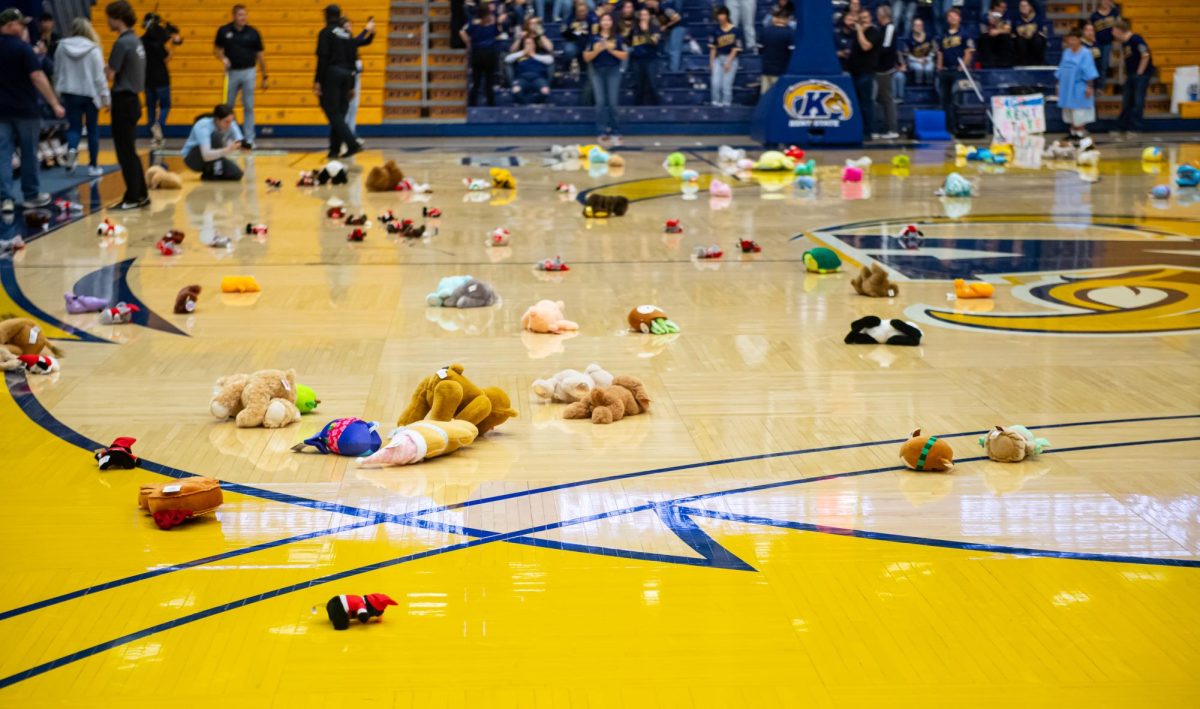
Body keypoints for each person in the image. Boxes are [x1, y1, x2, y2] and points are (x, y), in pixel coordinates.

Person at [0, 6, 65, 213]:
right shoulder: (23, 49)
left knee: (3, 155)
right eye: (20, 24)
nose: (24, 27)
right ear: (10, 25)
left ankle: (5, 199)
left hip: (1, 112)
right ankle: (31, 195)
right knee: (29, 153)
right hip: (26, 110)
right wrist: (54, 103)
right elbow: (38, 77)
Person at [105, 1, 149, 210]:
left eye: (109, 17)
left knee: (125, 151)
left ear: (117, 18)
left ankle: (132, 197)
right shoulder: (136, 41)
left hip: (123, 100)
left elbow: (110, 73)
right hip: (134, 100)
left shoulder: (122, 43)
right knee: (130, 150)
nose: (107, 21)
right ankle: (140, 193)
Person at [54, 17, 109, 176]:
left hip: (70, 93)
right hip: (90, 96)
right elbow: (99, 77)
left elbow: (57, 72)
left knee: (74, 128)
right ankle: (93, 166)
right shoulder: (94, 49)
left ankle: (71, 150)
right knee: (92, 130)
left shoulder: (61, 47)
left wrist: (57, 93)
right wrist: (106, 98)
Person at [213, 4, 266, 150]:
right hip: (232, 73)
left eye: (245, 15)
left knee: (248, 106)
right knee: (227, 107)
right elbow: (217, 50)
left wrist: (264, 75)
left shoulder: (253, 33)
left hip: (249, 71)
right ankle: (230, 138)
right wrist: (223, 58)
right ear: (234, 16)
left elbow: (260, 55)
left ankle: (249, 139)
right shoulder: (224, 31)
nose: (243, 18)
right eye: (240, 15)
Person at [314, 4, 362, 158]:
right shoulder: (347, 34)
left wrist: (317, 80)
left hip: (332, 75)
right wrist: (353, 85)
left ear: (327, 16)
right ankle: (334, 149)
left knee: (331, 110)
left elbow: (323, 58)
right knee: (340, 113)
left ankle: (352, 143)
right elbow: (353, 60)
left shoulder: (325, 33)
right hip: (348, 75)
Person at [582, 11, 626, 144]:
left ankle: (615, 131)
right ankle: (601, 131)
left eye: (609, 20)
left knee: (612, 102)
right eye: (604, 20)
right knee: (600, 102)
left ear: (612, 23)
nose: (606, 22)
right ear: (600, 23)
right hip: (597, 71)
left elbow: (624, 56)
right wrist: (597, 50)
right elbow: (586, 57)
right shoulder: (593, 38)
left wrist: (610, 49)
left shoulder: (618, 38)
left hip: (613, 71)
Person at [142, 12, 181, 148]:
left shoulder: (142, 40)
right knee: (165, 106)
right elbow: (166, 58)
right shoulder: (159, 41)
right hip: (162, 79)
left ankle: (154, 137)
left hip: (147, 79)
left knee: (151, 109)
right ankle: (159, 126)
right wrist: (173, 46)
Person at [936, 8, 974, 134]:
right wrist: (939, 66)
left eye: (954, 16)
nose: (952, 18)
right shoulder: (943, 35)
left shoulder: (965, 34)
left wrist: (962, 67)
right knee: (944, 100)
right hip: (945, 71)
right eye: (950, 16)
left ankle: (958, 126)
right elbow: (940, 52)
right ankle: (946, 126)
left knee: (956, 99)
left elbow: (968, 52)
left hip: (957, 71)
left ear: (959, 18)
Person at [1056, 26, 1097, 141]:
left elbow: (1089, 70)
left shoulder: (1086, 53)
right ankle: (1073, 132)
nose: (1071, 42)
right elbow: (1061, 69)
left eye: (1074, 39)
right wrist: (1058, 85)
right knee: (1068, 109)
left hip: (1080, 85)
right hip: (1066, 85)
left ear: (1079, 40)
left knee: (1080, 110)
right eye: (1070, 39)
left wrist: (1089, 86)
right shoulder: (1066, 52)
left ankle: (1080, 133)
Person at [182, 103, 244, 180]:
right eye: (227, 122)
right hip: (193, 158)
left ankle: (210, 174)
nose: (229, 125)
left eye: (231, 121)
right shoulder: (203, 125)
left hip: (215, 155)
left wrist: (243, 146)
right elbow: (206, 155)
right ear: (217, 120)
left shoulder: (230, 123)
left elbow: (240, 141)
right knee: (216, 137)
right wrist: (228, 150)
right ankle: (214, 172)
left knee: (236, 174)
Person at [1112, 19, 1152, 138]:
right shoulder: (1124, 43)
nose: (1112, 33)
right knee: (1127, 102)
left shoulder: (1136, 39)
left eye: (1114, 30)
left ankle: (1136, 128)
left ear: (1119, 30)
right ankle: (1122, 127)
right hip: (1131, 74)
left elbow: (1145, 55)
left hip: (1140, 75)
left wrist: (1139, 73)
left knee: (1137, 102)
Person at [846, 9, 879, 139]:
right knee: (856, 103)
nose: (864, 20)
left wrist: (859, 30)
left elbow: (866, 46)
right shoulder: (857, 33)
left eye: (866, 17)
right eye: (861, 18)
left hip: (866, 73)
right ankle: (858, 129)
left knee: (866, 103)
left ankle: (869, 131)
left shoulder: (873, 32)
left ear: (870, 18)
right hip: (854, 72)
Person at [342, 16, 376, 133]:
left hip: (355, 76)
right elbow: (357, 41)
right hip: (347, 76)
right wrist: (366, 30)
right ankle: (344, 134)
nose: (349, 28)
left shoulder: (350, 40)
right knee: (347, 106)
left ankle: (351, 133)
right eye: (346, 26)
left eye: (350, 26)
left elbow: (366, 41)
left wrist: (372, 32)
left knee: (354, 107)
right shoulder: (343, 41)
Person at [461, 6, 500, 107]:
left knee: (487, 84)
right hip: (482, 55)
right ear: (484, 16)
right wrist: (468, 42)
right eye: (489, 15)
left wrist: (469, 42)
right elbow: (461, 32)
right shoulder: (483, 26)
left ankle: (490, 105)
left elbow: (462, 32)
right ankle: (473, 105)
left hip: (484, 55)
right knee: (477, 83)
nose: (491, 16)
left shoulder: (475, 25)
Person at [874, 4, 900, 140]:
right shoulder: (881, 28)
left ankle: (892, 129)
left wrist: (872, 52)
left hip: (885, 69)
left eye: (879, 14)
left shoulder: (890, 27)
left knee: (887, 100)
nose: (877, 17)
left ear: (883, 15)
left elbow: (886, 47)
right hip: (879, 69)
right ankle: (884, 127)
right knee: (881, 100)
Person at [709, 6, 742, 108]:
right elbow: (713, 48)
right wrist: (711, 63)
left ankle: (726, 104)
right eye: (719, 15)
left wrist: (728, 62)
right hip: (718, 59)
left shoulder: (735, 30)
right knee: (715, 83)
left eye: (723, 14)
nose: (721, 17)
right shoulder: (715, 31)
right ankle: (715, 102)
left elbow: (736, 48)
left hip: (731, 59)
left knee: (726, 85)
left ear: (727, 15)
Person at [505, 35, 552, 104]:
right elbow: (507, 59)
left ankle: (534, 103)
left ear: (534, 45)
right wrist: (523, 52)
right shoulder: (519, 55)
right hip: (522, 78)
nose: (529, 45)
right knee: (516, 91)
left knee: (545, 91)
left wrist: (533, 55)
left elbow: (550, 60)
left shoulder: (540, 54)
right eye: (527, 43)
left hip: (538, 78)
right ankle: (526, 104)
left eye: (530, 43)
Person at [627, 7, 660, 105]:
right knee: (639, 85)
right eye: (642, 15)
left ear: (649, 16)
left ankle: (657, 107)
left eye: (646, 15)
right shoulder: (634, 28)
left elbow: (655, 42)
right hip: (637, 60)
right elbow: (628, 41)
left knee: (653, 84)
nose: (644, 17)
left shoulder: (654, 27)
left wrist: (645, 31)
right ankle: (637, 107)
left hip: (650, 59)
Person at [759, 9, 793, 95]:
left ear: (775, 18)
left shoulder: (765, 31)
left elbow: (760, 50)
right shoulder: (790, 33)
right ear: (787, 19)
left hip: (766, 68)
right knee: (778, 95)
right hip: (781, 70)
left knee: (765, 95)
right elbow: (792, 54)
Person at [643, 0, 682, 73]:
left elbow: (677, 18)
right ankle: (688, 47)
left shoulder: (664, 7)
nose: (646, 2)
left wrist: (666, 26)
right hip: (670, 29)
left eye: (647, 0)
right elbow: (656, 22)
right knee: (666, 49)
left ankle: (674, 71)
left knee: (674, 50)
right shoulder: (653, 11)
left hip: (678, 27)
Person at [1089, 0, 1119, 91]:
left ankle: (1100, 87)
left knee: (1104, 65)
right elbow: (1091, 28)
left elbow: (1118, 26)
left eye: (1108, 1)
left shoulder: (1115, 13)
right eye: (1104, 1)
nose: (1106, 2)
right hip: (1096, 44)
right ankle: (1093, 85)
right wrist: (1092, 39)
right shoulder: (1094, 15)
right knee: (1095, 64)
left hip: (1108, 44)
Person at [977, 2, 1014, 69]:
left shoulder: (1006, 15)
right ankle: (988, 64)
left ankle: (1005, 64)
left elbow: (1008, 30)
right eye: (1002, 7)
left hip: (1001, 37)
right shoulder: (985, 16)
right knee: (984, 38)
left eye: (1005, 7)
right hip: (989, 37)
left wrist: (998, 30)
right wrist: (990, 24)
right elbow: (983, 31)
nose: (1004, 9)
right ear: (996, 7)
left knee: (1006, 37)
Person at [1012, 0, 1047, 65]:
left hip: (1034, 40)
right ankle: (1022, 63)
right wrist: (1029, 29)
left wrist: (1026, 30)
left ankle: (1037, 62)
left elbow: (1040, 31)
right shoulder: (1016, 17)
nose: (1023, 7)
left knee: (1038, 39)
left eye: (1025, 6)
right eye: (1021, 6)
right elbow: (1018, 31)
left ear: (1030, 7)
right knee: (1020, 40)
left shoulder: (1037, 17)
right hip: (1021, 41)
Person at [903, 17, 935, 86]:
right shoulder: (908, 38)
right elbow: (907, 54)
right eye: (916, 25)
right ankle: (918, 84)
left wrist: (927, 59)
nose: (918, 27)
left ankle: (929, 84)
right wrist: (917, 60)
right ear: (912, 27)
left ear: (923, 26)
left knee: (928, 69)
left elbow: (933, 50)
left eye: (920, 25)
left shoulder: (929, 36)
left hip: (927, 59)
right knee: (919, 68)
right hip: (913, 60)